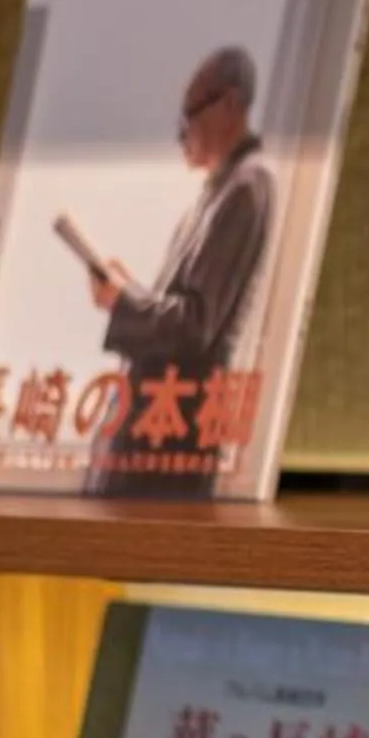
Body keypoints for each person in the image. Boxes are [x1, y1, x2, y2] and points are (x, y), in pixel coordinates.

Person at [86, 45, 277, 496]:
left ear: (230, 105)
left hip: (171, 442)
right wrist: (127, 290)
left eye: (190, 114)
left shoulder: (246, 189)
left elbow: (195, 326)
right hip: (156, 432)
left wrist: (123, 300)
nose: (182, 133)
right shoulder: (219, 191)